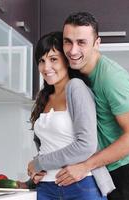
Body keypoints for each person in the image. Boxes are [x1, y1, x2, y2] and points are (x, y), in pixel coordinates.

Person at [54, 12, 129, 200]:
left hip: (126, 172)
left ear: (97, 43)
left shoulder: (111, 78)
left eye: (81, 42)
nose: (72, 51)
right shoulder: (76, 74)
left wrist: (85, 166)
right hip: (102, 170)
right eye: (67, 41)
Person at [26, 31, 109, 200]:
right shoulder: (44, 96)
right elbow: (50, 146)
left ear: (66, 60)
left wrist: (39, 163)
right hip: (46, 188)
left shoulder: (76, 87)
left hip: (81, 186)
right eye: (41, 61)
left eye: (53, 59)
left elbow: (86, 145)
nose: (46, 67)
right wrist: (35, 172)